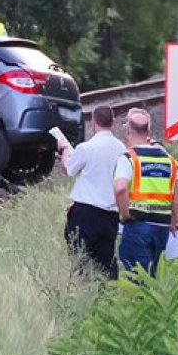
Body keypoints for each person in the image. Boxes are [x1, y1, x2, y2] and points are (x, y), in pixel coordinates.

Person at [56, 105, 127, 278]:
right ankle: (107, 298)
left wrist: (64, 150)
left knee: (80, 260)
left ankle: (84, 294)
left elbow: (69, 169)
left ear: (93, 122)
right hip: (110, 214)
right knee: (106, 262)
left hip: (85, 214)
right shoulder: (122, 150)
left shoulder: (86, 148)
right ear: (113, 122)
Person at [113, 110, 178, 278]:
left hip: (138, 224)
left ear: (128, 130)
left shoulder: (129, 158)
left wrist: (124, 214)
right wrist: (176, 221)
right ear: (149, 130)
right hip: (162, 227)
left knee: (137, 278)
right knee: (155, 277)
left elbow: (121, 188)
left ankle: (138, 304)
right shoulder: (169, 160)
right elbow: (177, 193)